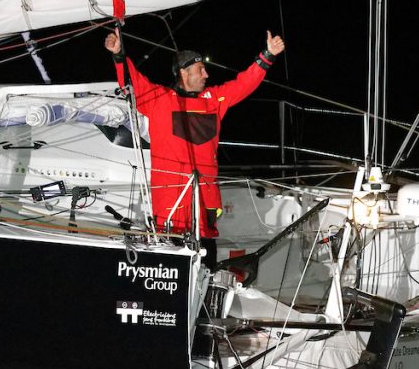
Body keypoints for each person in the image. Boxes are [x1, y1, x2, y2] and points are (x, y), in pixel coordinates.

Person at [104, 28, 285, 255]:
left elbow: (243, 84)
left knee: (206, 260)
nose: (206, 75)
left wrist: (267, 56)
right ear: (184, 73)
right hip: (171, 205)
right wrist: (119, 55)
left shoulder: (214, 100)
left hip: (204, 205)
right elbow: (134, 83)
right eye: (201, 70)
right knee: (170, 260)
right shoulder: (158, 100)